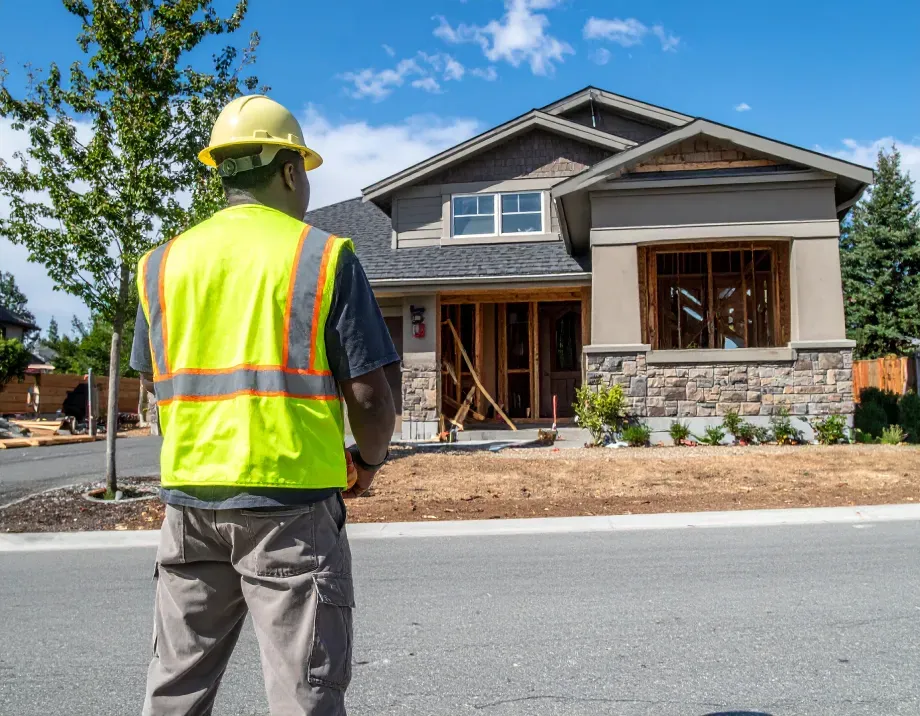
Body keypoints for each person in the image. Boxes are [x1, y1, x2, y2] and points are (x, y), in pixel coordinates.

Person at [131, 94, 398, 716]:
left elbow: (157, 388)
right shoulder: (323, 257)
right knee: (303, 692)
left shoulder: (161, 265)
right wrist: (370, 462)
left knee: (175, 688)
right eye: (304, 169)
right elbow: (370, 393)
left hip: (190, 507)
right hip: (290, 508)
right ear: (287, 170)